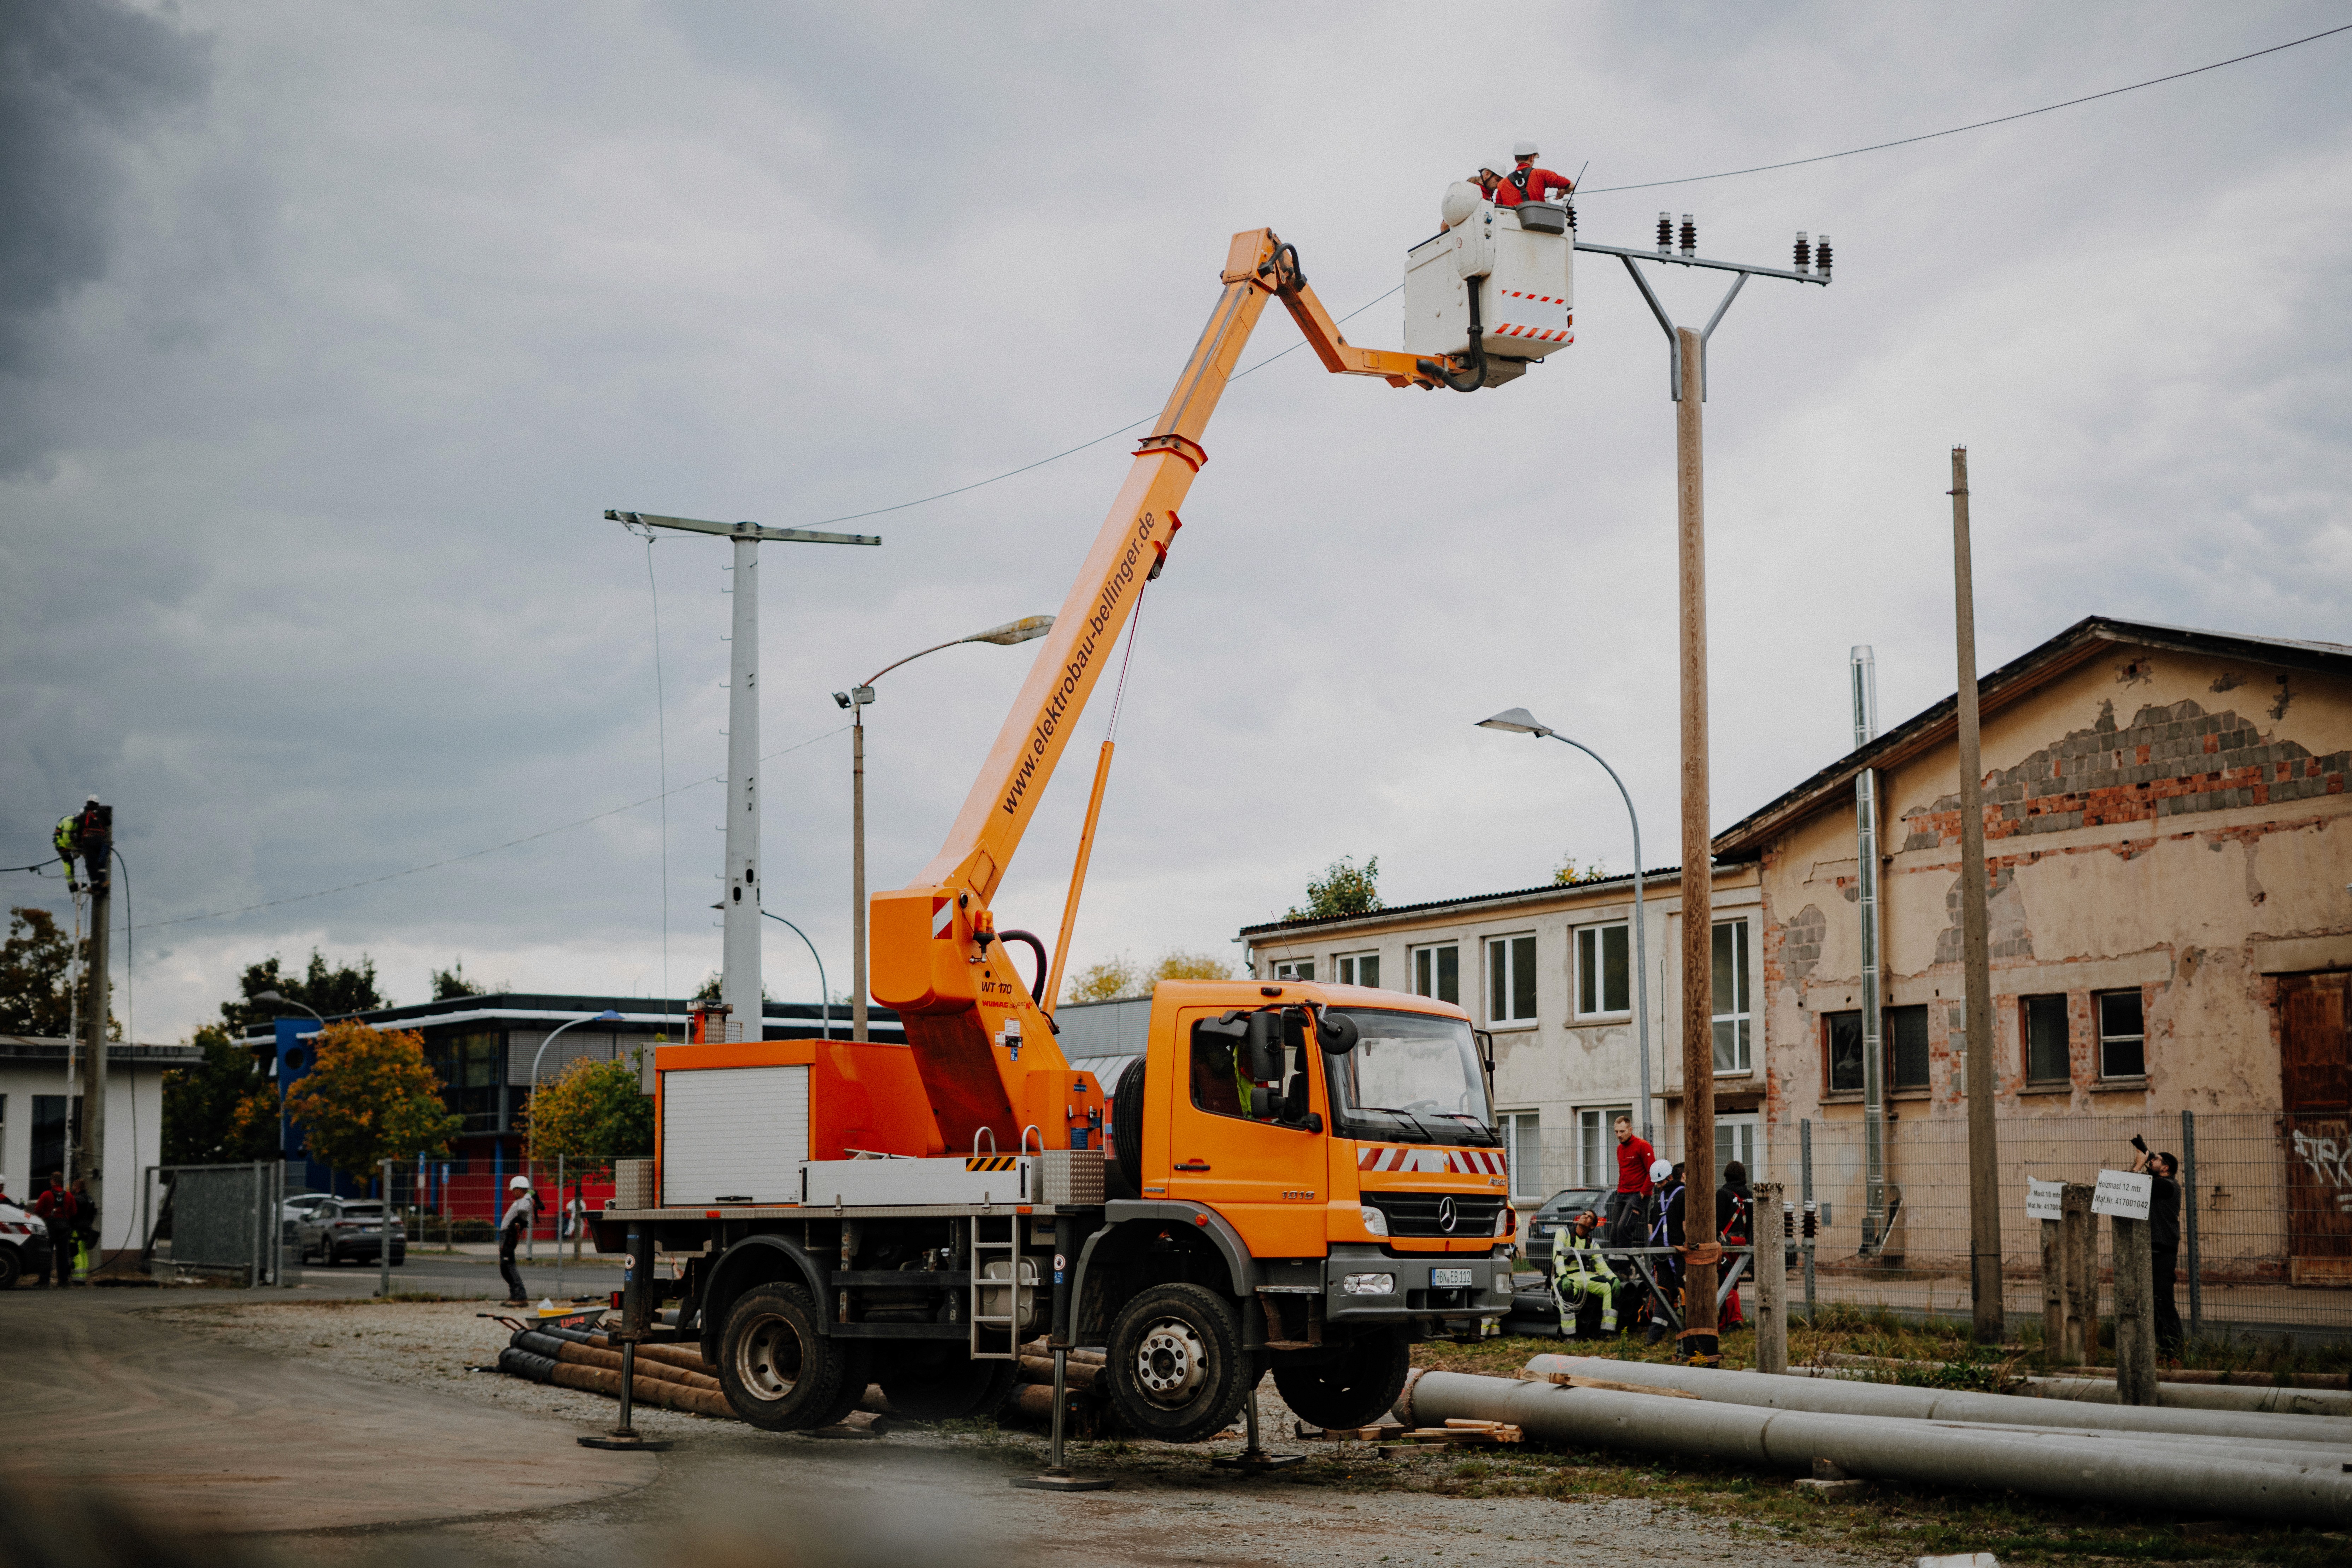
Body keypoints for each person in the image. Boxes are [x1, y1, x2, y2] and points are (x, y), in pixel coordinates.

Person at [2135, 1146, 2184, 1357]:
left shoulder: (2167, 1186)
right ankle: (2164, 1349)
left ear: (2166, 1168)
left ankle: (2175, 1350)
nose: (2151, 1160)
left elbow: (2133, 1186)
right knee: (2154, 1302)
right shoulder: (2158, 1184)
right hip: (2155, 1250)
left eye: (2156, 1159)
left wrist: (2138, 1164)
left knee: (2163, 1299)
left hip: (2163, 1251)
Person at [1549, 1209, 1620, 1338]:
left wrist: (1614, 1278)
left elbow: (1602, 1266)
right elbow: (1557, 1257)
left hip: (1583, 1276)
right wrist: (1564, 1277)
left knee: (1610, 1287)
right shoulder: (1563, 1233)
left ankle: (1607, 1332)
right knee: (1567, 1292)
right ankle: (1569, 1336)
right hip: (1563, 1277)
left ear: (1592, 1226)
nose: (1585, 1217)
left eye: (1589, 1217)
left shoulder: (1592, 1244)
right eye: (1584, 1215)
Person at [1644, 1157, 1684, 1344]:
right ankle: (1689, 1334)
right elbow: (1687, 1225)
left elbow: (1652, 1226)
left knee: (1664, 1294)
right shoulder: (1683, 1194)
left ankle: (1654, 1337)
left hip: (1660, 1253)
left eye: (1659, 1183)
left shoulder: (1658, 1198)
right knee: (1685, 1292)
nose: (1659, 1187)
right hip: (1678, 1252)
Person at [1717, 1159, 1753, 1328]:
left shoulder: (1722, 1195)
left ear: (1726, 1176)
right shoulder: (1750, 1196)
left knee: (1725, 1279)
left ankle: (1734, 1319)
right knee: (1733, 1279)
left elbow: (1716, 1222)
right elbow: (1751, 1223)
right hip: (1743, 1243)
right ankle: (1730, 1318)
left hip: (1726, 1243)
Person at [1608, 1115, 1655, 1247]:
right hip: (1622, 1194)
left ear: (1631, 1130)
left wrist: (1643, 1193)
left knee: (1624, 1228)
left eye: (1622, 1131)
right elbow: (1624, 1172)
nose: (1619, 1135)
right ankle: (1615, 1265)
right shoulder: (1620, 1149)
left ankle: (1625, 1267)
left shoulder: (1642, 1146)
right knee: (1614, 1233)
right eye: (1616, 1132)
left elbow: (1652, 1172)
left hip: (1637, 1194)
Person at [1494, 140, 1573, 208]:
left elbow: (1498, 209)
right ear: (1532, 158)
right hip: (1537, 224)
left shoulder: (1502, 184)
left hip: (1511, 226)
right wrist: (1563, 192)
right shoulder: (1541, 175)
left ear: (1516, 159)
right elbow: (1571, 186)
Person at [498, 1175, 539, 1306]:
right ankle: (515, 1295)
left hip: (509, 1235)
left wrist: (528, 1196)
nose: (513, 1192)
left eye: (514, 1190)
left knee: (509, 1266)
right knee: (505, 1267)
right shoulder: (524, 1200)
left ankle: (520, 1297)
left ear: (519, 1189)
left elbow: (523, 1209)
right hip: (506, 1235)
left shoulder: (525, 1201)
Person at [33, 1171, 76, 1287]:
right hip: (64, 1228)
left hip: (49, 1228)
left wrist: (46, 1215)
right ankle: (63, 1281)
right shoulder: (69, 1196)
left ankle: (44, 1280)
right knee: (63, 1255)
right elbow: (74, 1212)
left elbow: (37, 1210)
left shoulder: (46, 1194)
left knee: (47, 1254)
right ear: (62, 1182)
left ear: (52, 1181)